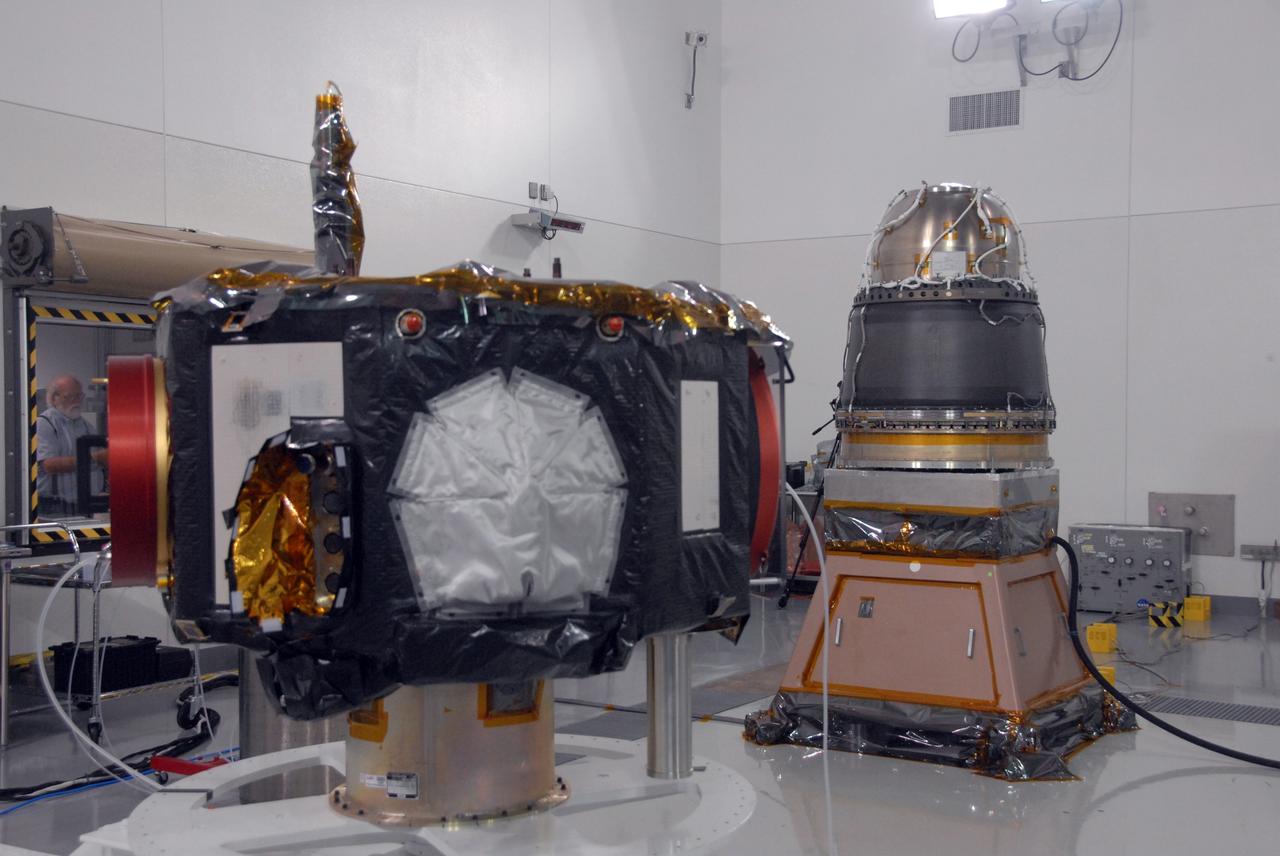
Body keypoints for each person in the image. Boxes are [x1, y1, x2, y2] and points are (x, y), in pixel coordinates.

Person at [35, 374, 106, 517]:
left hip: (85, 506)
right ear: (55, 398)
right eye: (70, 396)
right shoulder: (45, 424)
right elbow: (49, 465)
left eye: (79, 396)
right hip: (54, 508)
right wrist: (95, 458)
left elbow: (100, 462)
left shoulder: (86, 426)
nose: (77, 401)